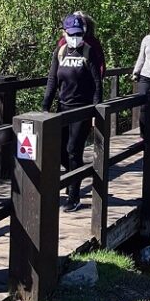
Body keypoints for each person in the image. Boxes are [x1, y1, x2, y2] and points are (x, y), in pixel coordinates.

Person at [43, 14, 103, 212]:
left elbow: (97, 83)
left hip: (82, 109)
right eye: (72, 34)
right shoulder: (60, 52)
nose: (76, 37)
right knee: (60, 151)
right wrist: (45, 107)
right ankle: (73, 179)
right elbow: (52, 81)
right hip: (63, 108)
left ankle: (74, 197)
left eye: (79, 34)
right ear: (64, 33)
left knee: (73, 150)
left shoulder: (88, 52)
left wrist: (95, 111)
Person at [56, 10, 105, 77]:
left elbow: (101, 64)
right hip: (67, 82)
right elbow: (56, 64)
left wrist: (98, 80)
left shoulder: (93, 42)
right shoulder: (64, 42)